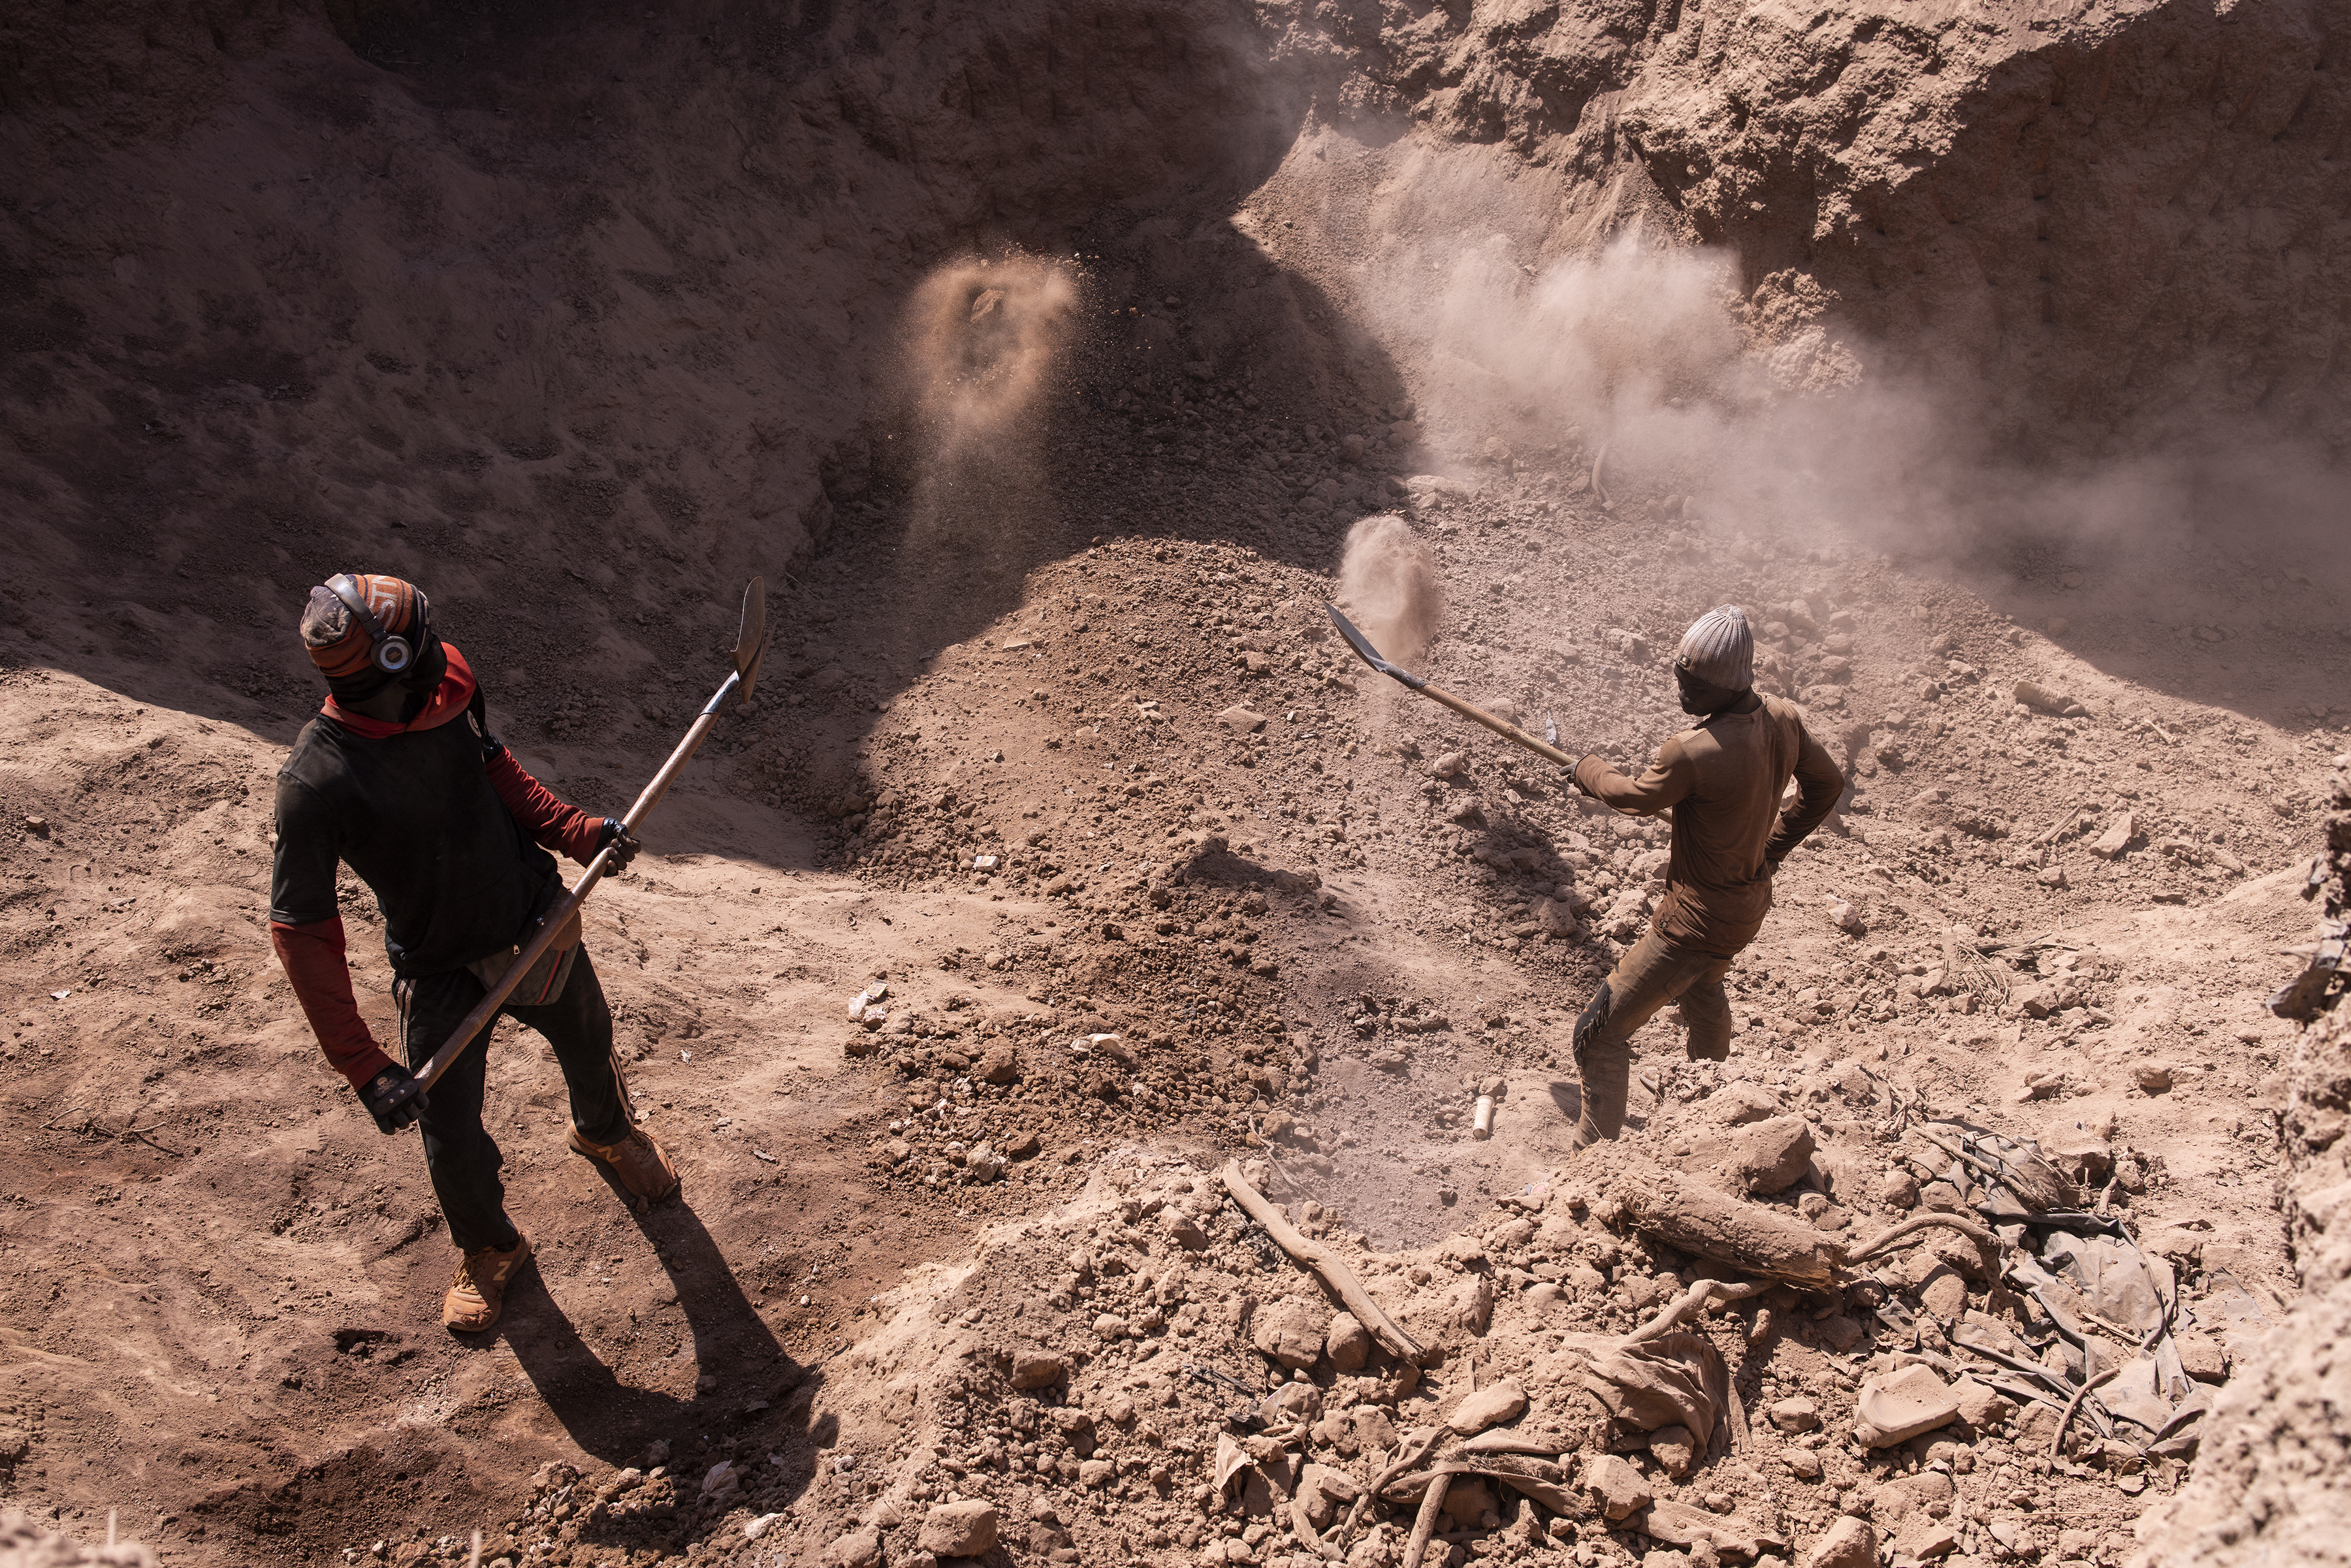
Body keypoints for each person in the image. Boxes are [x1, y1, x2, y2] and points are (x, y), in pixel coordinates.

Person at [268, 572, 679, 1333]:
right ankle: (490, 1246)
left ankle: (606, 1131)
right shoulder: (316, 783)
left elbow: (498, 772)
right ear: (393, 659)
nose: (438, 643)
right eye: (422, 635)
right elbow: (303, 932)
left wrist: (577, 831)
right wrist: (365, 1064)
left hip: (531, 921)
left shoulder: (450, 684)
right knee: (450, 1133)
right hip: (438, 967)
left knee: (589, 1040)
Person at [1565, 605, 1845, 1148]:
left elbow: (1633, 797)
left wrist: (1587, 769)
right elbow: (1826, 786)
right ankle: (1711, 1112)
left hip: (1693, 923)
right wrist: (1773, 848)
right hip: (1746, 906)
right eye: (1680, 680)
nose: (1683, 695)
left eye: (1694, 687)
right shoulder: (1783, 718)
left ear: (1727, 684)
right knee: (1705, 988)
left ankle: (1589, 1161)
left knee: (1596, 1035)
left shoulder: (1693, 751)